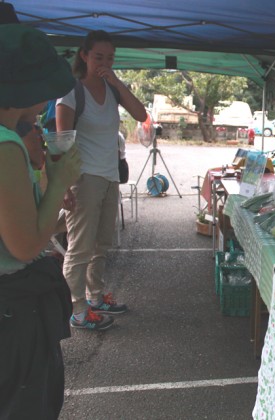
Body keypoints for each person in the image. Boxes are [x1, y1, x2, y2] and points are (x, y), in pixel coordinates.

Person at [0, 23, 81, 419]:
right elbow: (26, 244)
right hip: (12, 312)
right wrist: (60, 181)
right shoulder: (5, 144)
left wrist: (42, 172)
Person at [56, 30, 147, 331]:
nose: (104, 63)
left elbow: (141, 113)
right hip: (84, 178)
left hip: (109, 177)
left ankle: (96, 297)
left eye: (110, 58)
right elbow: (61, 143)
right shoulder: (70, 92)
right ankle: (78, 310)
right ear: (84, 55)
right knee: (80, 247)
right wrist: (64, 186)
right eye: (98, 57)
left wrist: (115, 81)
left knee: (102, 244)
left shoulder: (111, 90)